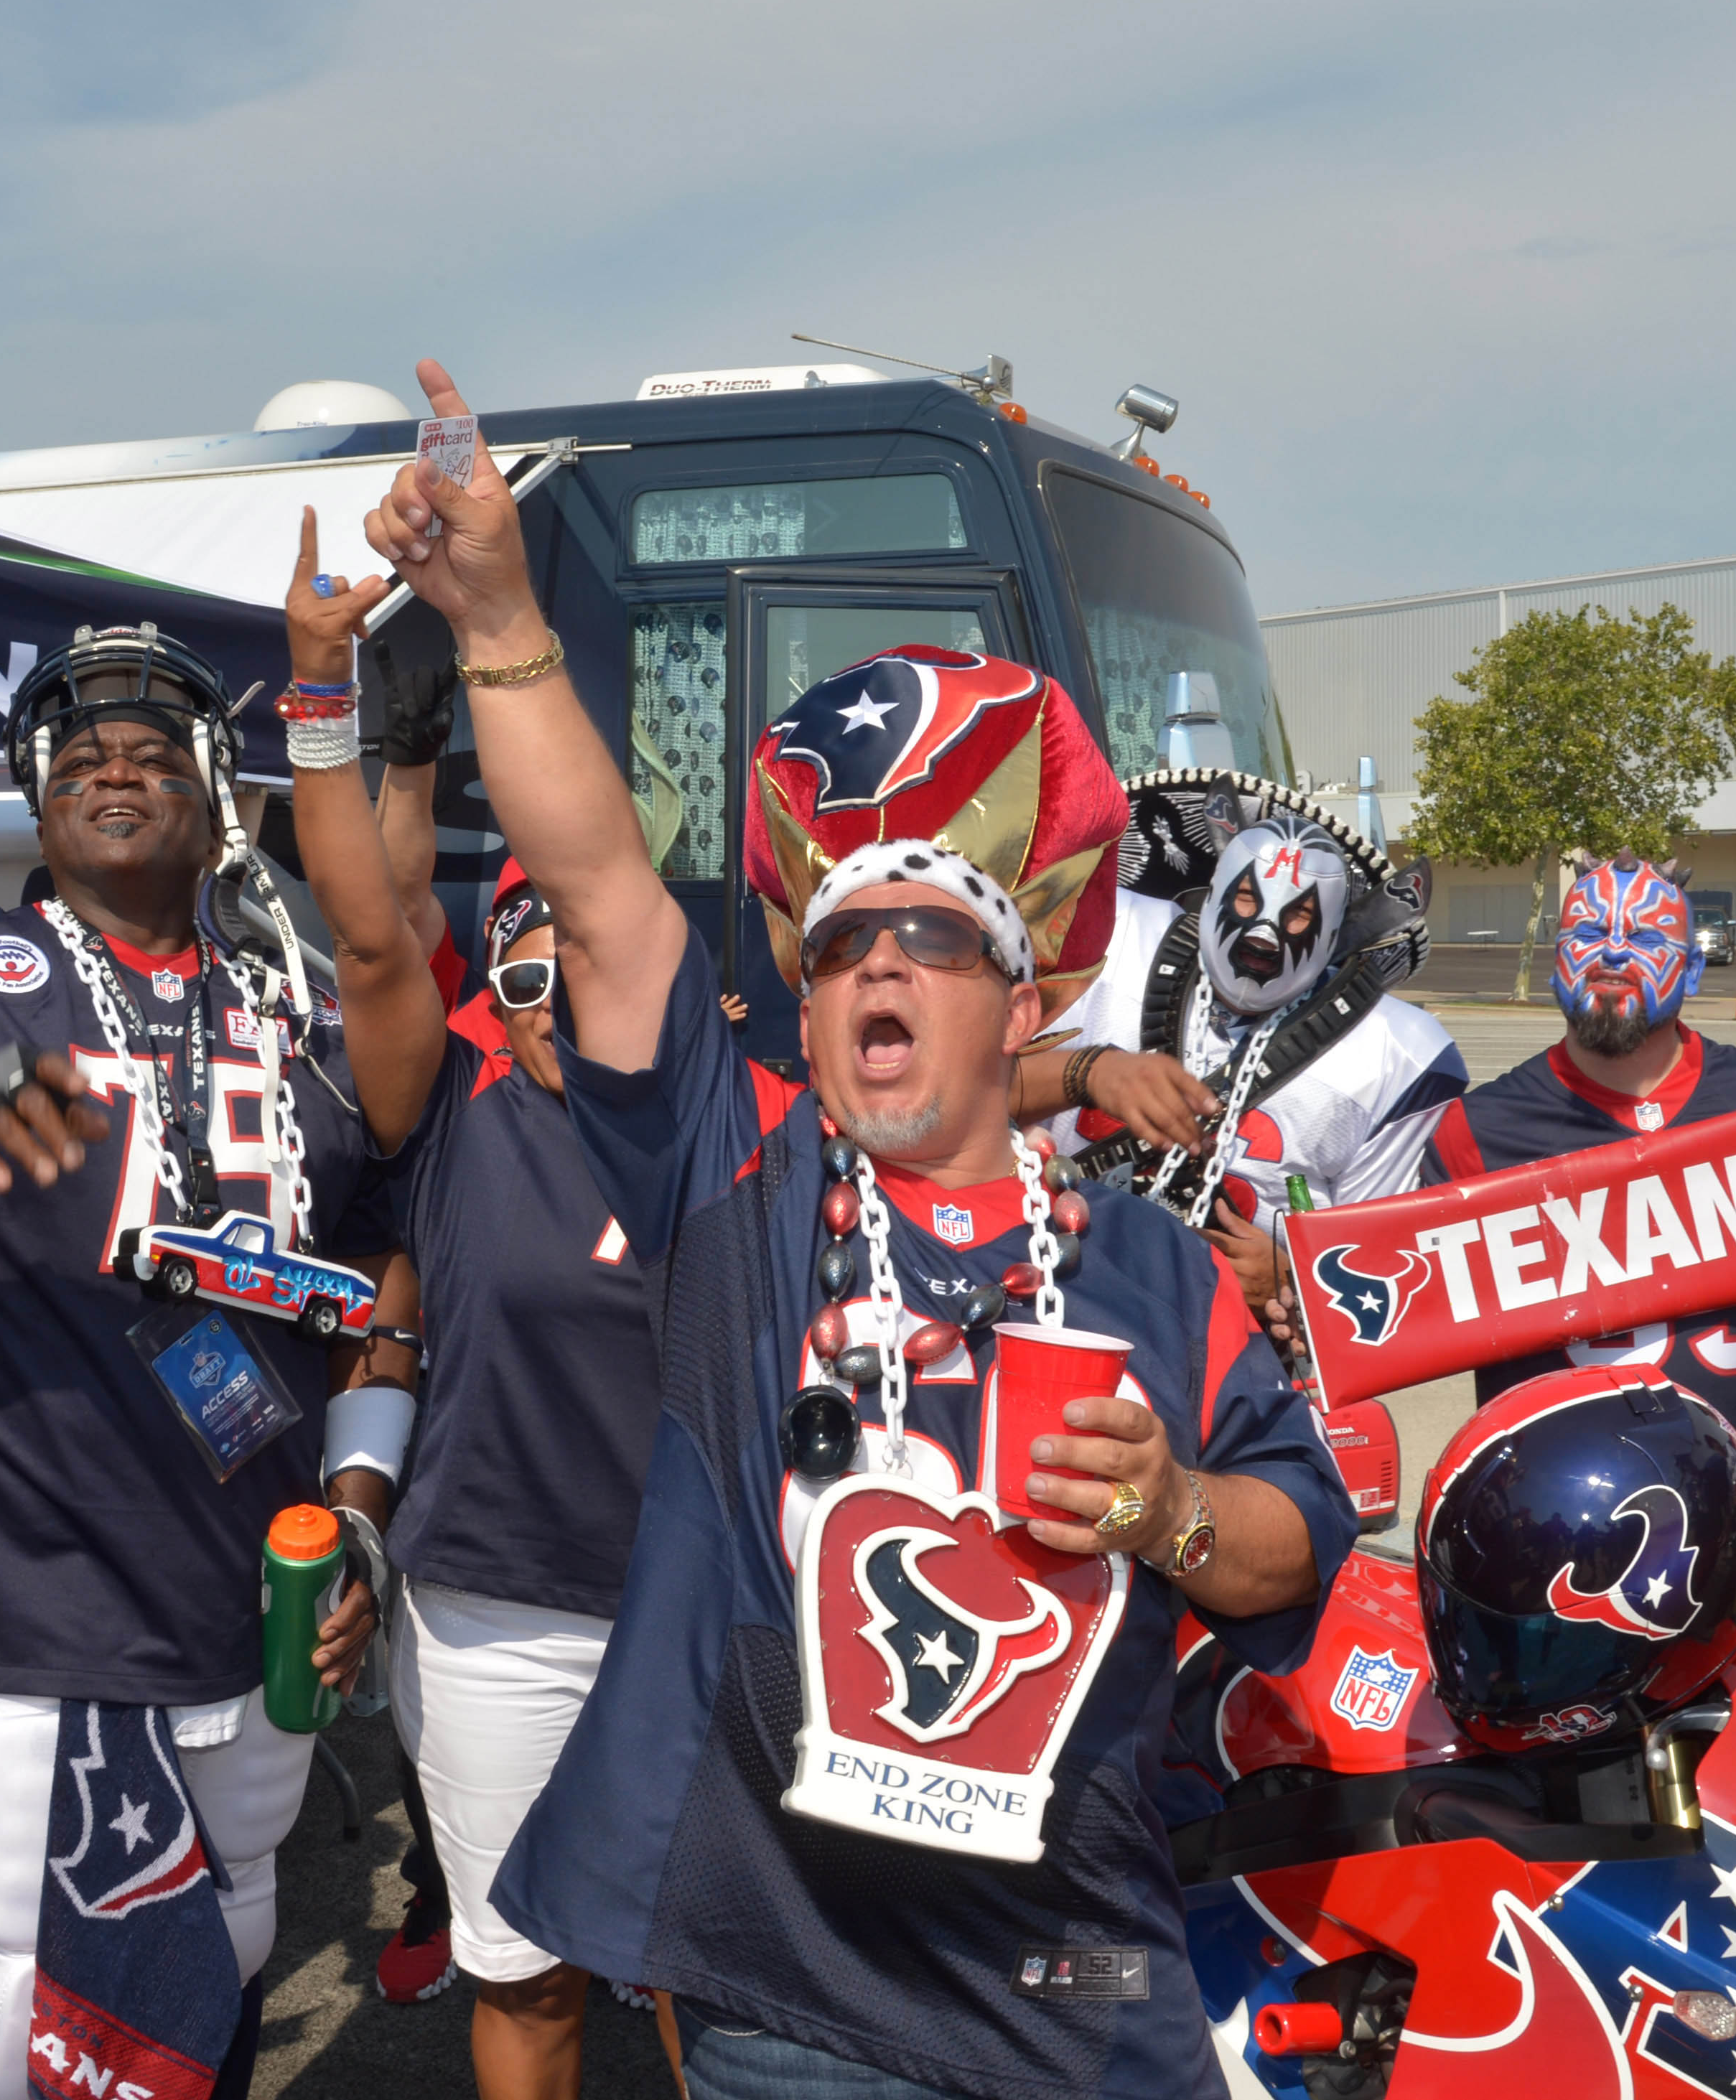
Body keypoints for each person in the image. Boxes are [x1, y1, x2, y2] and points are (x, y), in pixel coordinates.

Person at [369, 361, 1353, 2100]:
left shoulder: (1152, 1268)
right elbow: (599, 886)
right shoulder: (735, 1200)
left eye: (932, 938)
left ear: (1020, 996)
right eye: (837, 944)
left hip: (1076, 1975)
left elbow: (1293, 1543)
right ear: (806, 1006)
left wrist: (1179, 1507)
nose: (878, 962)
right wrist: (504, 613)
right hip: (795, 1994)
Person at [0, 543, 444, 2100]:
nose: (109, 769)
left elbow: (384, 1274)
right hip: (22, 1600)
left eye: (148, 751)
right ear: (32, 793)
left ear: (213, 795)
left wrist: (359, 1510)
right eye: (78, 752)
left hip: (251, 1578)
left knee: (235, 1949)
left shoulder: (295, 996)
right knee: (29, 2015)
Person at [384, 864, 784, 2099]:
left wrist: (1087, 1080)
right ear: (492, 1001)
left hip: (703, 1618)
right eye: (524, 979)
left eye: (590, 972)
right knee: (525, 1972)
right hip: (494, 1608)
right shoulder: (455, 1109)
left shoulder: (751, 1118)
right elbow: (372, 923)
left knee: (713, 1975)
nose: (558, 1003)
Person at [1422, 852, 1736, 1512]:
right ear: (1555, 958)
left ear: (1694, 969)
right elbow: (1399, 1302)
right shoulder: (1476, 1130)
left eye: (1646, 938)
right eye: (1589, 935)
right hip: (1566, 1517)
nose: (1613, 954)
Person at [1017, 773, 1460, 1316]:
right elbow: (960, 1092)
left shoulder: (1399, 1056)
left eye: (1299, 914)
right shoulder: (1106, 932)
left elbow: (1389, 1283)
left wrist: (1296, 1284)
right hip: (1050, 1292)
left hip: (1243, 1349)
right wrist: (1089, 1072)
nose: (1264, 933)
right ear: (1219, 886)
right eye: (1247, 898)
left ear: (1337, 930)